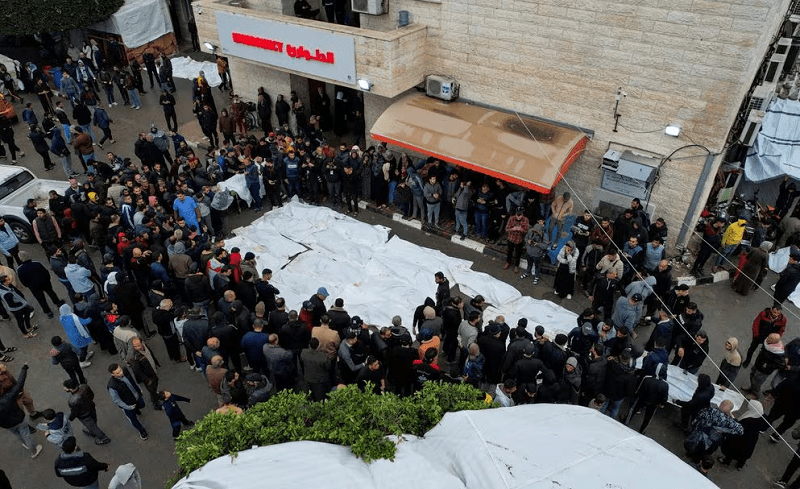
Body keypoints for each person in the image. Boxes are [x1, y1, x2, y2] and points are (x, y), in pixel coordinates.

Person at [0, 363, 43, 458]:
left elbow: (16, 383)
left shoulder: (6, 374)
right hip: (15, 407)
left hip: (6, 424)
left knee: (17, 433)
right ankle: (33, 451)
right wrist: (24, 369)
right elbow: (19, 383)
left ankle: (33, 414)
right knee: (25, 433)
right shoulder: (7, 397)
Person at [719, 400, 769, 469]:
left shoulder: (749, 420)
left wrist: (733, 418)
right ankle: (740, 465)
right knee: (745, 452)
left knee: (732, 449)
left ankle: (726, 462)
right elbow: (764, 428)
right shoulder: (763, 417)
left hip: (740, 438)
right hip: (752, 439)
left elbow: (739, 426)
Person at [106, 363, 148, 440]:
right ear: (112, 374)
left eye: (120, 370)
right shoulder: (112, 386)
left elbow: (132, 381)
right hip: (128, 404)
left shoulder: (125, 371)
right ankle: (141, 431)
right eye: (118, 372)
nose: (121, 373)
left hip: (136, 397)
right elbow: (117, 400)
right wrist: (128, 407)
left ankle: (136, 410)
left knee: (142, 405)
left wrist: (138, 389)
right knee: (133, 419)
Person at [63, 379, 110, 445]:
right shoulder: (84, 386)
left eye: (65, 387)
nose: (64, 388)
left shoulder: (72, 400)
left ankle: (104, 439)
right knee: (93, 421)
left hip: (84, 416)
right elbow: (92, 395)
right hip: (91, 407)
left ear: (70, 389)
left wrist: (70, 418)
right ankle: (91, 431)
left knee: (93, 427)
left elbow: (74, 412)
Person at [17, 250, 63, 319]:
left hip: (34, 287)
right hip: (44, 282)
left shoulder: (20, 269)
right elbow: (46, 272)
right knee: (51, 293)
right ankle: (58, 303)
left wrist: (29, 285)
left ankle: (48, 312)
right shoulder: (37, 263)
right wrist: (48, 279)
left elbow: (23, 281)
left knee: (41, 299)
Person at [743, 333, 786, 399]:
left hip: (764, 370)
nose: (768, 339)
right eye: (768, 337)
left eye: (771, 339)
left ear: (775, 341)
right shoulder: (767, 343)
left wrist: (767, 366)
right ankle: (751, 388)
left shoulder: (778, 352)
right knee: (752, 375)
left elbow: (780, 365)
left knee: (757, 382)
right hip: (758, 364)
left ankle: (755, 394)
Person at [521, 216, 549, 284]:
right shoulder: (530, 232)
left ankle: (536, 277)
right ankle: (527, 273)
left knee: (537, 266)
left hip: (537, 254)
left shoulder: (544, 236)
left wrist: (537, 244)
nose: (534, 232)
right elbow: (526, 238)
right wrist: (528, 241)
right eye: (534, 231)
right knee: (529, 264)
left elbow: (545, 246)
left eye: (536, 232)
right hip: (529, 252)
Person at [504, 208, 529, 274]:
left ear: (522, 215)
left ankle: (516, 266)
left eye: (520, 215)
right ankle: (508, 262)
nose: (518, 217)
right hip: (511, 238)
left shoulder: (526, 220)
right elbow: (506, 229)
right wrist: (513, 229)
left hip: (519, 239)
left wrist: (521, 230)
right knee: (509, 251)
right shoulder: (511, 218)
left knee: (518, 253)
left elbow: (526, 231)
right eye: (517, 215)